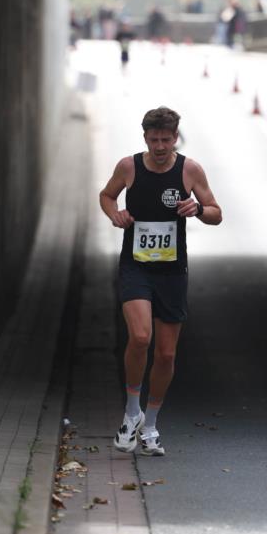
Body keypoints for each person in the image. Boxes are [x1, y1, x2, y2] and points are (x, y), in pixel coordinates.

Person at [99, 107, 222, 456]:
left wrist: (197, 209)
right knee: (140, 337)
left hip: (172, 270)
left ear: (175, 138)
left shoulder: (190, 170)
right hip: (135, 266)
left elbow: (216, 212)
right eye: (154, 140)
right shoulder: (129, 167)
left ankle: (150, 425)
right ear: (145, 139)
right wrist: (116, 214)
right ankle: (131, 411)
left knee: (166, 354)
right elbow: (106, 195)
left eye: (166, 140)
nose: (160, 146)